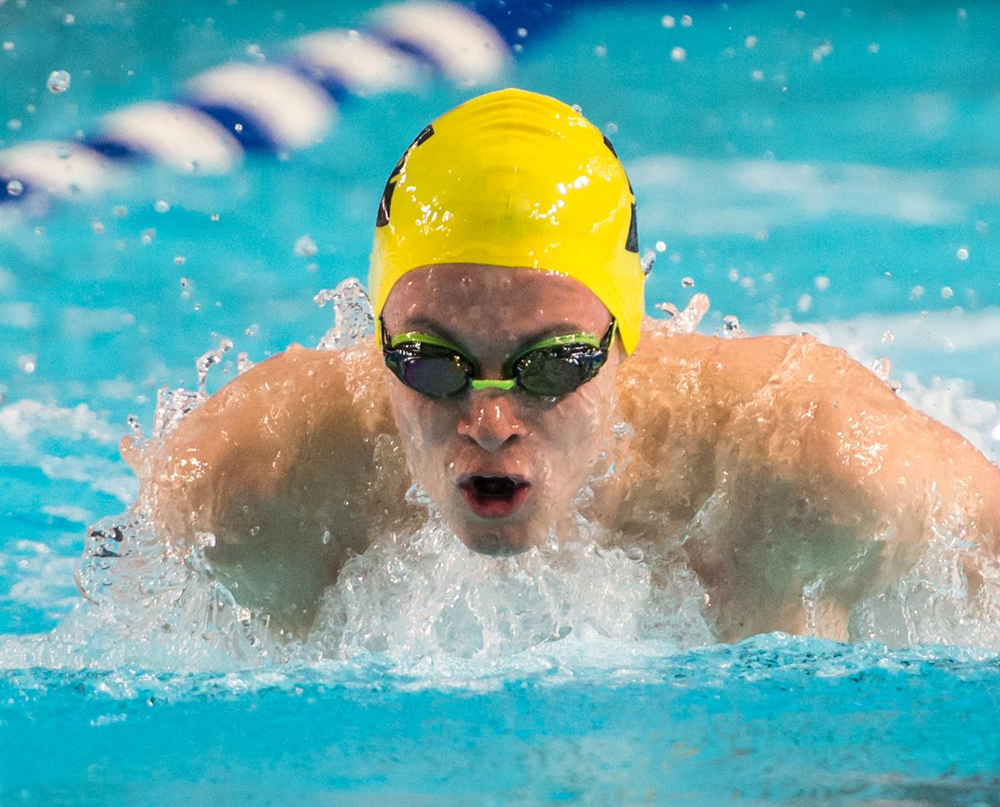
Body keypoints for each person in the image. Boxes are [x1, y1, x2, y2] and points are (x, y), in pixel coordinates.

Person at [125, 88, 1000, 642]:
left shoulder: (819, 470)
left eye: (551, 364)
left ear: (626, 336)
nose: (491, 421)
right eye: (434, 362)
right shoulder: (246, 489)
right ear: (378, 342)